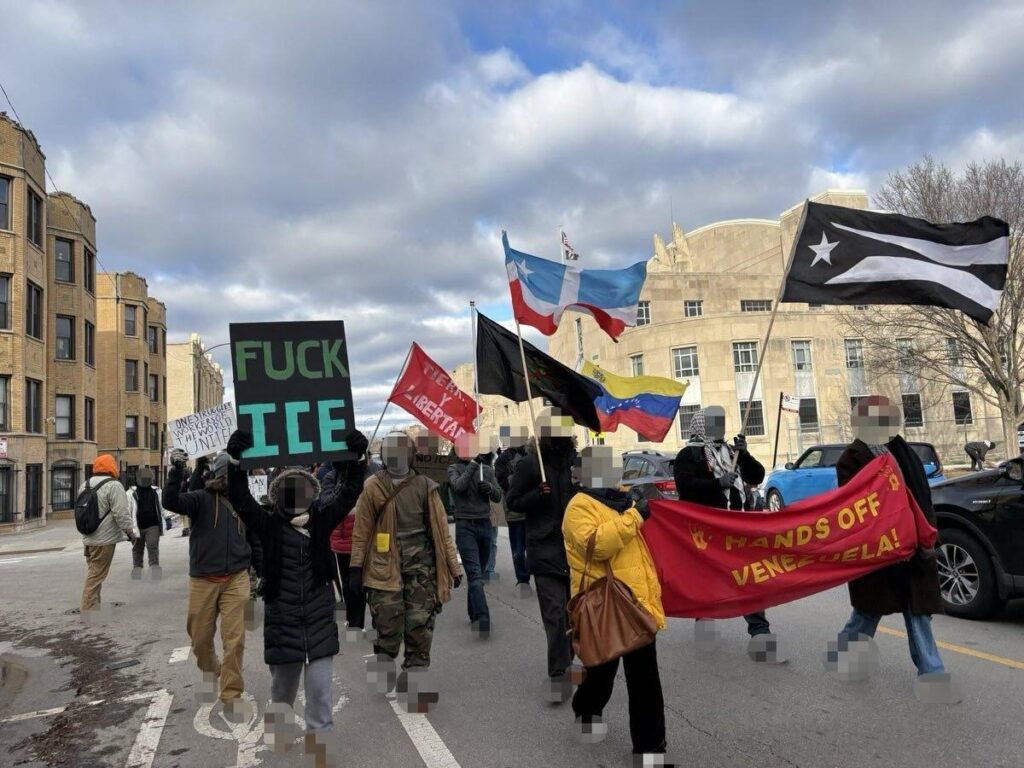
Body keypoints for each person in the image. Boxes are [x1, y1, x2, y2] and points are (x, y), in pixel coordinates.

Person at [223, 429, 368, 739]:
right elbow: (240, 498)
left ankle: (320, 747)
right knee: (282, 693)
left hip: (318, 623)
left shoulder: (322, 521)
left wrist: (358, 459)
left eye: (302, 488)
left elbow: (350, 492)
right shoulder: (268, 526)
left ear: (311, 493)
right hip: (283, 625)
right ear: (278, 497)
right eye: (289, 490)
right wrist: (235, 462)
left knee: (320, 693)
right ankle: (278, 733)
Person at [827, 396, 955, 700]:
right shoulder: (851, 458)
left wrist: (928, 534)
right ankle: (844, 650)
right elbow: (855, 506)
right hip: (880, 550)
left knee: (918, 613)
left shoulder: (902, 450)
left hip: (913, 547)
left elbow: (921, 495)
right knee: (868, 612)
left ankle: (932, 673)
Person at [563, 446, 667, 759]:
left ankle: (650, 751)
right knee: (600, 675)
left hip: (635, 606)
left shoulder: (623, 500)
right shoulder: (578, 507)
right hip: (604, 607)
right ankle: (586, 708)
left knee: (646, 683)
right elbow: (597, 546)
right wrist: (635, 516)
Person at [350, 432, 462, 699]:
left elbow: (441, 531)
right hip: (383, 568)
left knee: (420, 626)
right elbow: (361, 531)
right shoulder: (372, 487)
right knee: (387, 626)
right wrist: (355, 568)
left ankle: (414, 676)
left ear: (411, 455)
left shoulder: (426, 486)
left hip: (422, 568)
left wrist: (453, 566)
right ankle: (384, 659)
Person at [673, 406, 777, 655]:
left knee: (747, 580)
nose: (719, 427)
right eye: (713, 422)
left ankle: (760, 635)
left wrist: (745, 454)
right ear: (701, 425)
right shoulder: (690, 454)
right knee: (706, 583)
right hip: (707, 533)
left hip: (737, 530)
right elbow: (685, 486)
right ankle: (705, 629)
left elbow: (757, 477)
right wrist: (717, 483)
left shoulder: (731, 452)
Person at [163, 448, 252, 715]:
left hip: (236, 578)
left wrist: (259, 569)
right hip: (203, 579)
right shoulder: (200, 499)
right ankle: (214, 669)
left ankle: (231, 694)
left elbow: (257, 537)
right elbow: (170, 500)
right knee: (200, 640)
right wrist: (177, 469)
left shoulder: (244, 503)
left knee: (234, 640)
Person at [506, 408, 577, 703]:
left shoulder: (575, 462)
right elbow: (512, 501)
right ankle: (558, 676)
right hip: (544, 549)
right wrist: (537, 495)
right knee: (555, 615)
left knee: (576, 614)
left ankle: (568, 658)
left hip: (575, 550)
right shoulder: (530, 464)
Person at [448, 435, 502, 636]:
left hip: (484, 524)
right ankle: (483, 617)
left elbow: (498, 495)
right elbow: (458, 486)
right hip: (465, 526)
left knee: (479, 574)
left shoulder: (486, 470)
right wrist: (472, 465)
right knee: (475, 574)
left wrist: (490, 488)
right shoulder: (453, 469)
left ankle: (473, 611)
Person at [79, 454, 135, 611]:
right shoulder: (113, 485)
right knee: (96, 576)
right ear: (111, 467)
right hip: (103, 539)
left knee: (94, 573)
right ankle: (88, 610)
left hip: (88, 537)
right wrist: (130, 532)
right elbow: (121, 513)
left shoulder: (85, 484)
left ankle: (94, 606)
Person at [329, 453, 372, 636]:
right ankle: (351, 617)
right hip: (340, 540)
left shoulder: (367, 480)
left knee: (357, 582)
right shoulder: (332, 479)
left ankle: (357, 621)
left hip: (358, 540)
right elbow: (327, 503)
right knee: (347, 582)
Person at [495, 431, 531, 587]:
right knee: (518, 550)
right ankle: (522, 580)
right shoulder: (503, 459)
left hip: (533, 509)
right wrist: (517, 478)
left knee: (535, 547)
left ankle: (534, 574)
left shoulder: (532, 454)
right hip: (515, 511)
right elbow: (503, 483)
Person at [129, 468, 164, 574]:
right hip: (136, 527)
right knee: (137, 550)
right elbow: (127, 510)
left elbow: (162, 506)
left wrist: (167, 518)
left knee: (153, 548)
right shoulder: (130, 493)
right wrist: (127, 528)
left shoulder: (157, 491)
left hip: (153, 525)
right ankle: (137, 573)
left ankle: (155, 574)